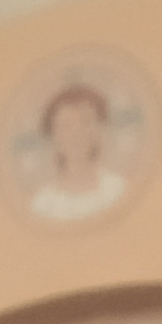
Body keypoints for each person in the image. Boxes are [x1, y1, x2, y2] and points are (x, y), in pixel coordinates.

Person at [28, 81, 128, 222]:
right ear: (53, 136)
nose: (77, 134)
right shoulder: (43, 204)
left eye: (85, 122)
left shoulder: (118, 189)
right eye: (66, 126)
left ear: (99, 129)